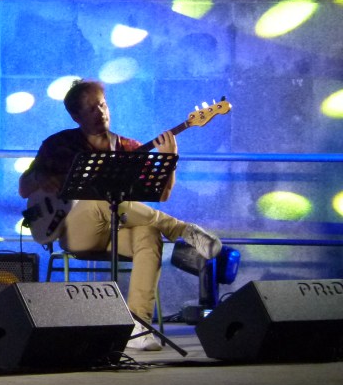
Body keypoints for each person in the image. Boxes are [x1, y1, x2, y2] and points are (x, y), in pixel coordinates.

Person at [18, 79, 222, 351]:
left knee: (149, 234)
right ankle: (183, 230)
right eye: (91, 109)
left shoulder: (127, 147)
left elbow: (161, 195)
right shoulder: (58, 144)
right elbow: (24, 188)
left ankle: (139, 325)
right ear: (76, 116)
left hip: (115, 231)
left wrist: (169, 160)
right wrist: (41, 177)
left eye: (103, 105)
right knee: (99, 199)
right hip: (75, 231)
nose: (100, 112)